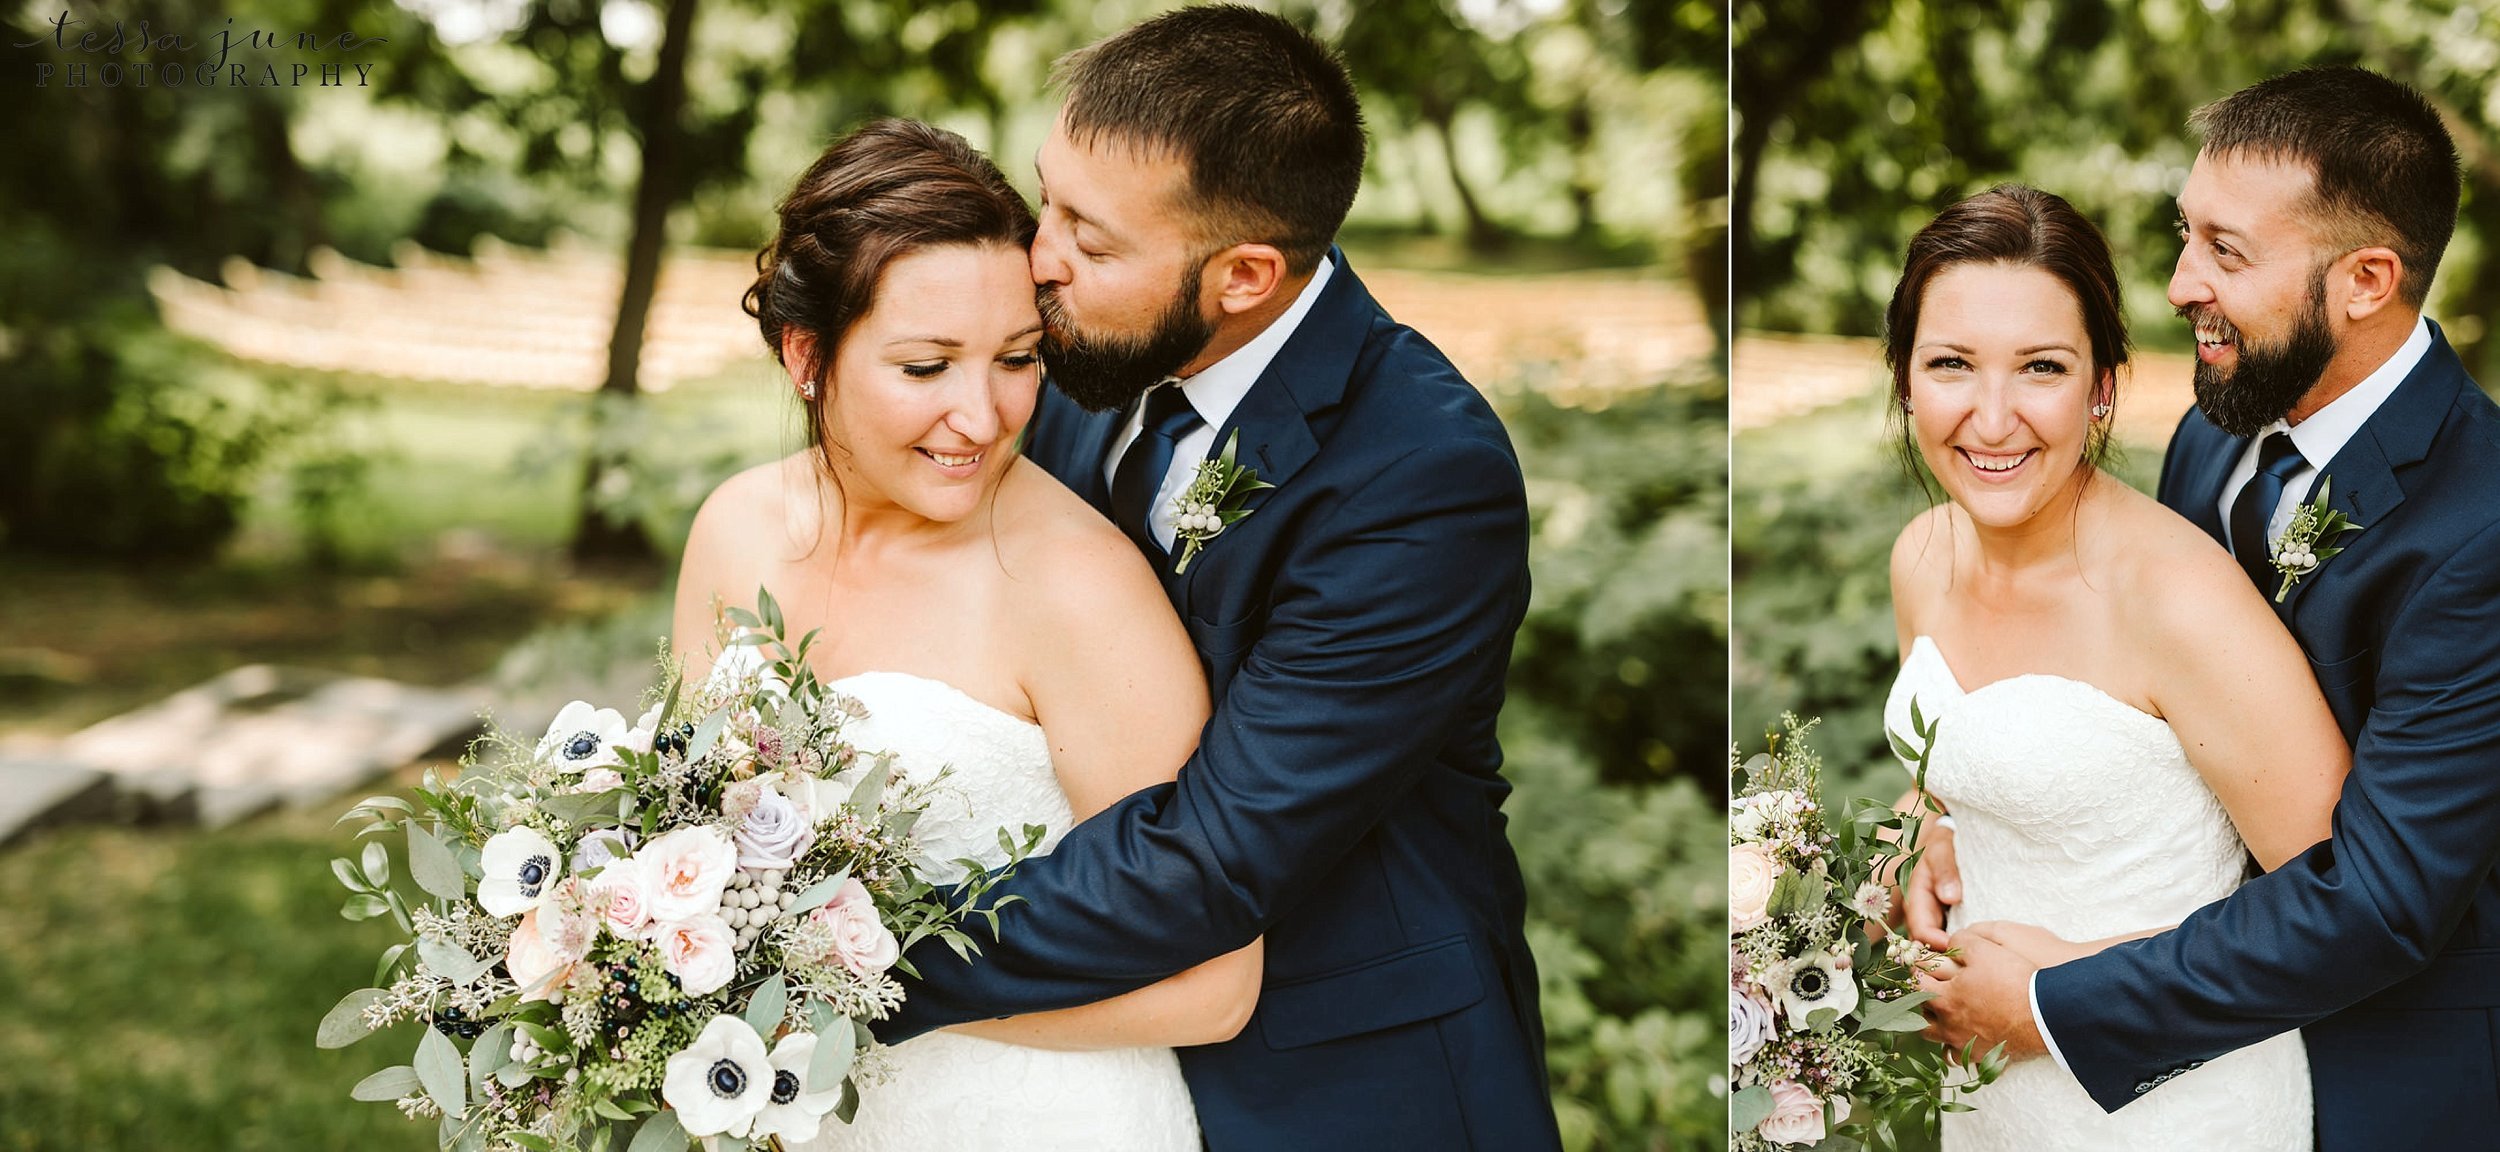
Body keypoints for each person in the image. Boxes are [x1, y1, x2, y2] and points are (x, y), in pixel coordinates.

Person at [860, 7, 1562, 1150]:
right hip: (1100, 1066)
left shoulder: (1422, 479)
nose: (1037, 262)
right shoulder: (1094, 358)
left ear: (1244, 275)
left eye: (1088, 242)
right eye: (1049, 201)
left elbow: (1210, 858)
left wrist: (839, 954)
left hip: (1355, 1086)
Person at [1916, 68, 2500, 1150]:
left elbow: (2384, 899)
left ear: (2365, 279)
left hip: (2375, 1076)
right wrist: (1960, 818)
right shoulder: (2221, 425)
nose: (2181, 282)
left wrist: (2054, 1002)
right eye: (2185, 234)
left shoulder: (2480, 530)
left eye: (2226, 253)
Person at [672, 117, 1257, 1150]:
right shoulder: (734, 531)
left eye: (1017, 359)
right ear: (807, 354)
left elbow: (1213, 987)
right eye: (926, 366)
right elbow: (681, 837)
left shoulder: (1078, 589)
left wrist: (861, 1003)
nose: (982, 417)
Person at [1876, 183, 2347, 1149]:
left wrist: (2056, 994)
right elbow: (1947, 773)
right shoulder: (1920, 557)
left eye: (2041, 367)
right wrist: (1914, 842)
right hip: (1992, 1098)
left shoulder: (2179, 600)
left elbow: (2333, 909)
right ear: (1905, 379)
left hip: (2177, 1102)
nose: (1994, 417)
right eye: (1952, 364)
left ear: (2101, 387)